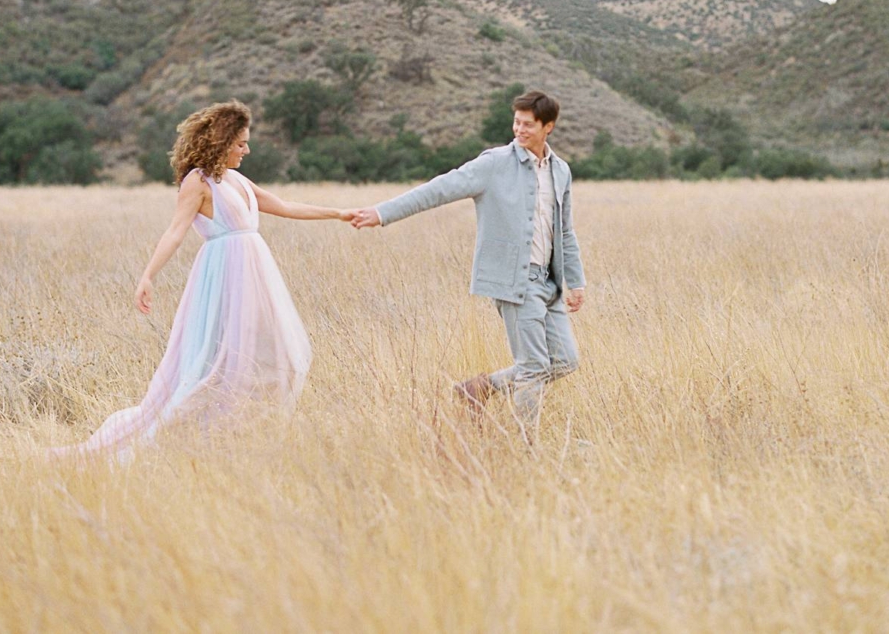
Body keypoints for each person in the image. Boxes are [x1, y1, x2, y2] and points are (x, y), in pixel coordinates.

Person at [56, 100, 357, 457]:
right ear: (221, 141)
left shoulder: (236, 179)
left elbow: (286, 207)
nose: (247, 149)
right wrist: (148, 276)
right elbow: (175, 232)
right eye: (240, 143)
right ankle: (190, 438)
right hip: (224, 275)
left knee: (277, 354)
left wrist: (339, 213)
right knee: (214, 360)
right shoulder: (197, 183)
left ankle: (239, 434)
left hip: (255, 275)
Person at [352, 90, 586, 438]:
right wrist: (382, 213)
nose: (519, 130)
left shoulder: (560, 171)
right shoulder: (494, 164)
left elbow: (564, 230)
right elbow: (439, 189)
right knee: (534, 367)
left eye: (528, 124)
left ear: (548, 127)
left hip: (550, 282)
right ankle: (527, 448)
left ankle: (482, 387)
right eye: (516, 122)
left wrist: (576, 281)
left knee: (565, 361)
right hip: (514, 282)